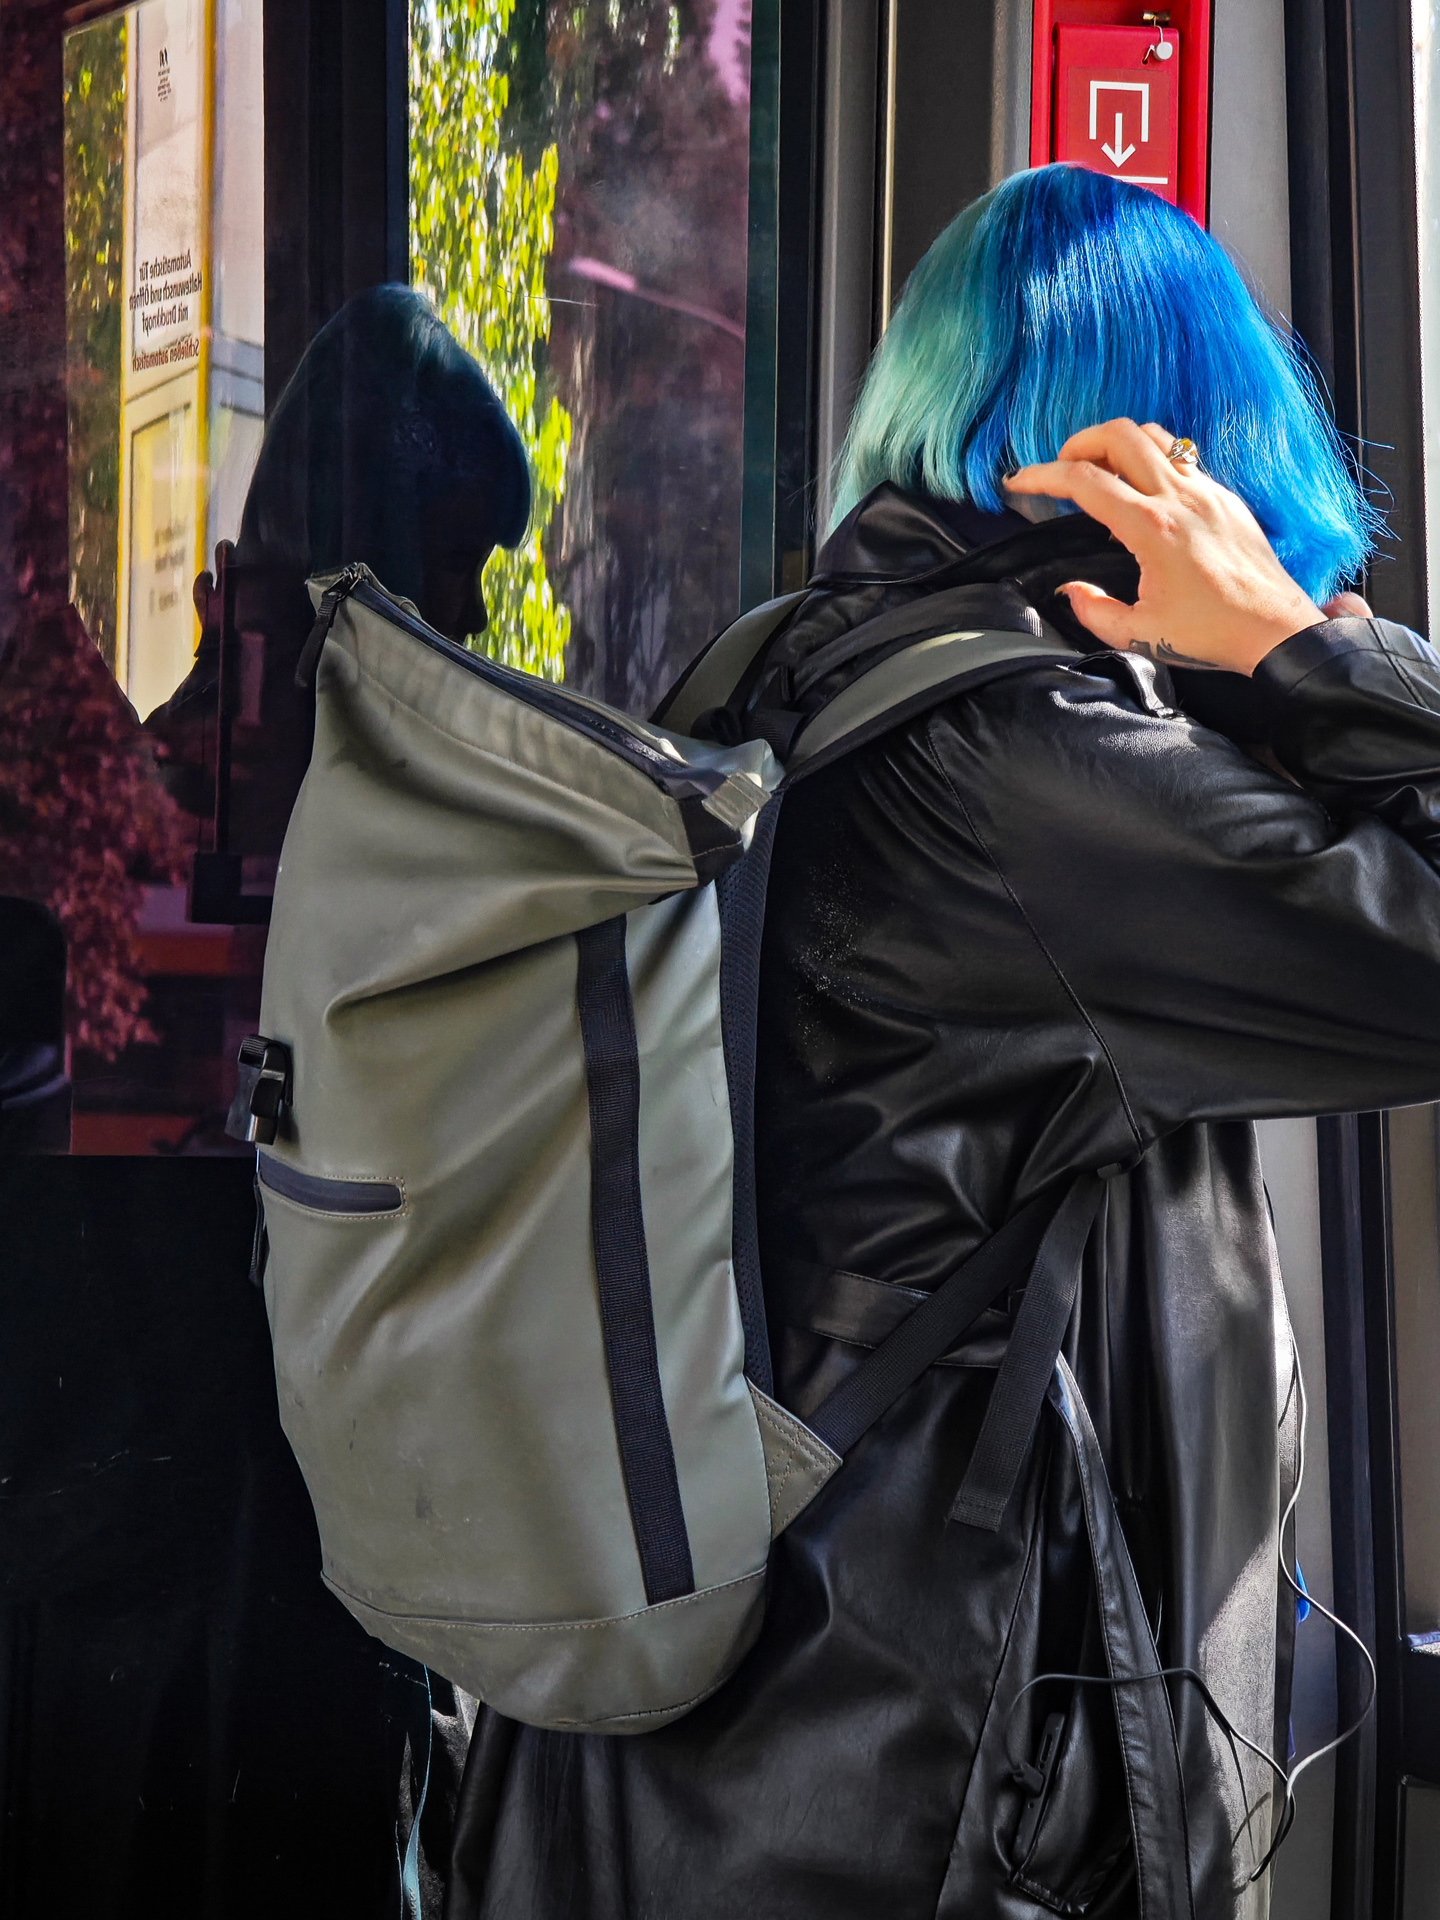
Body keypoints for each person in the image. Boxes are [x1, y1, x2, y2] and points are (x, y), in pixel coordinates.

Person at [437, 165, 1440, 1918]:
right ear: (1181, 462)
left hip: (662, 1753)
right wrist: (1301, 653)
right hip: (890, 1810)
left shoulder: (779, 675)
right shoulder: (1032, 775)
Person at [147, 285, 530, 863]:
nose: (476, 616)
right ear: (373, 556)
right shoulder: (273, 785)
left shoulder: (232, 741)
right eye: (455, 562)